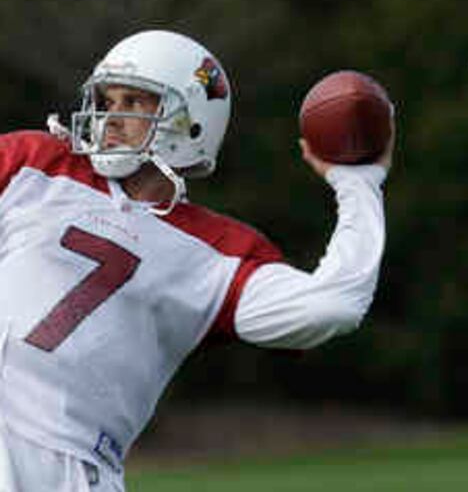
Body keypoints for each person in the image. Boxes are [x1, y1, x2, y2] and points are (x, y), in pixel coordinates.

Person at [0, 30, 391, 490]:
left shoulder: (217, 253)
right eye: (106, 100)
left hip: (67, 470)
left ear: (191, 120)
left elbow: (335, 305)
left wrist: (358, 184)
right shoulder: (36, 161)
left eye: (134, 101)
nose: (110, 117)